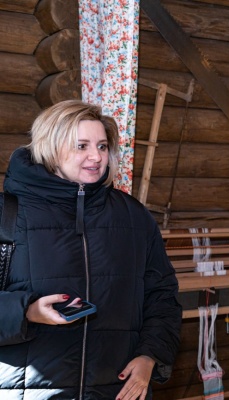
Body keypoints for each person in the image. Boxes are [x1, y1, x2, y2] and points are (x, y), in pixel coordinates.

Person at [0, 100, 182, 399]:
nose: (96, 157)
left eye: (102, 146)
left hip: (115, 390)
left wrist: (150, 356)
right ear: (50, 147)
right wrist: (26, 311)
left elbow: (162, 297)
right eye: (81, 146)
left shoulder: (134, 217)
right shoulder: (7, 215)